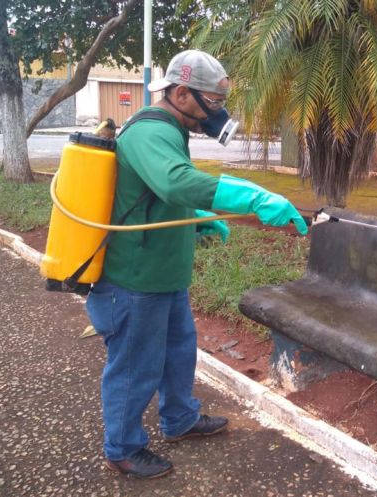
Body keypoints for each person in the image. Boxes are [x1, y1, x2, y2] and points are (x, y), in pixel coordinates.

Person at [85, 49, 308, 479]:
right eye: (213, 102)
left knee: (178, 353)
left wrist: (198, 222)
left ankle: (180, 418)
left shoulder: (173, 130)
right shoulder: (151, 130)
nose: (217, 113)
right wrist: (253, 197)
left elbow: (159, 195)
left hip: (165, 275)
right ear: (182, 94)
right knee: (135, 367)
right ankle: (123, 448)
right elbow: (175, 180)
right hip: (135, 280)